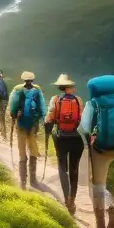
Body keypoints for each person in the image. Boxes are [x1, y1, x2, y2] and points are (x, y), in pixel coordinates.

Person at [80, 74, 114, 228]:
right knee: (107, 184)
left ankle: (101, 225)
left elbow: (83, 128)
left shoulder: (93, 103)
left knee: (96, 185)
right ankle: (111, 208)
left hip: (99, 150)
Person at [44, 73, 85, 215]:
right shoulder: (78, 101)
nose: (74, 88)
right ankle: (72, 199)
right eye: (72, 86)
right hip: (76, 138)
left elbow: (49, 118)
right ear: (68, 87)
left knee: (63, 168)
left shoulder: (55, 100)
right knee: (74, 170)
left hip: (61, 137)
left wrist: (48, 131)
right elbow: (82, 119)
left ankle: (66, 198)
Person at [9, 71, 45, 189]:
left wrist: (13, 116)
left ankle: (23, 181)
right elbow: (42, 106)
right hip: (33, 124)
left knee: (22, 149)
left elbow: (13, 105)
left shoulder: (17, 89)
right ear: (32, 80)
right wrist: (40, 119)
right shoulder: (37, 89)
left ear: (24, 80)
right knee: (33, 148)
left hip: (21, 123)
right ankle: (33, 179)